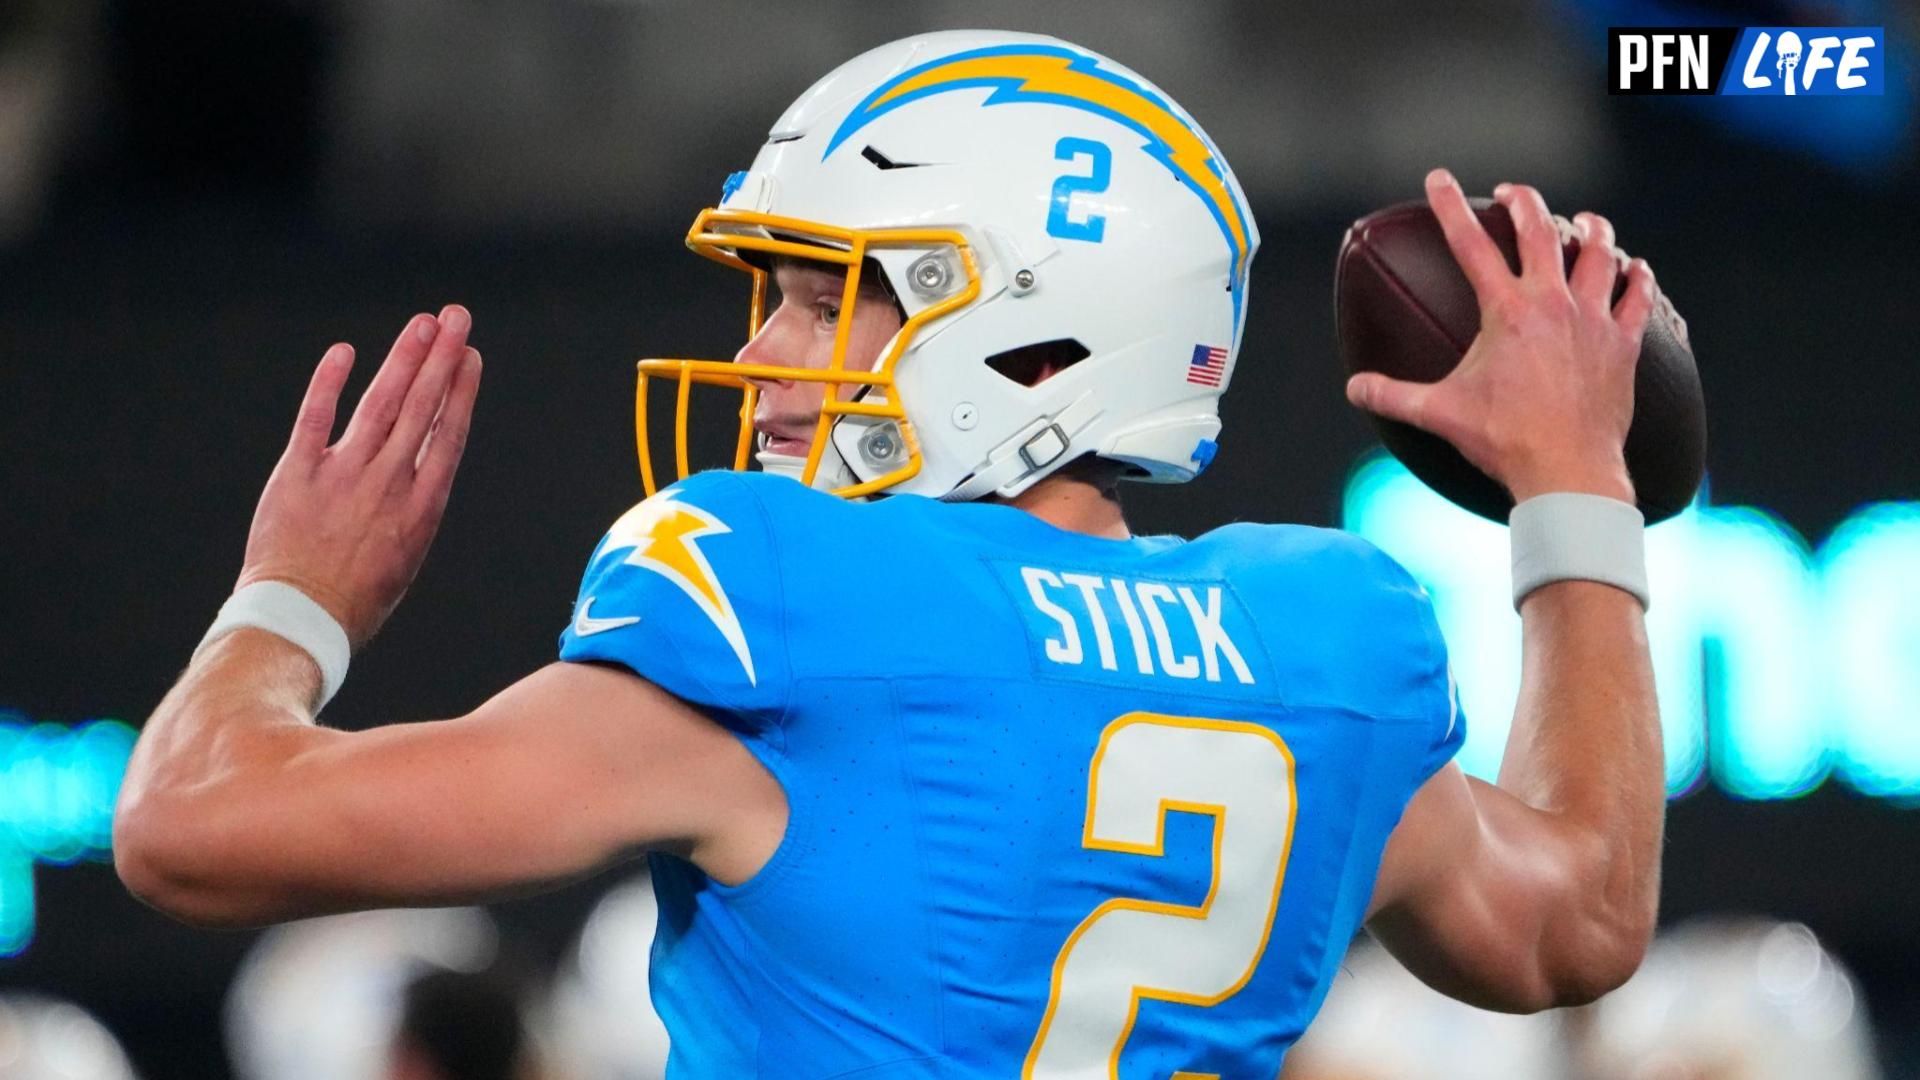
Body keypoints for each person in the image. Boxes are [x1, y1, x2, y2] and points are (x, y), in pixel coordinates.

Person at [114, 29, 1665, 1077]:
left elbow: (192, 825)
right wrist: (1572, 486)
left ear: (1045, 343)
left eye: (830, 296)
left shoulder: (788, 609)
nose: (773, 361)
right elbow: (1577, 917)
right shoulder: (1328, 647)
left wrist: (294, 603)